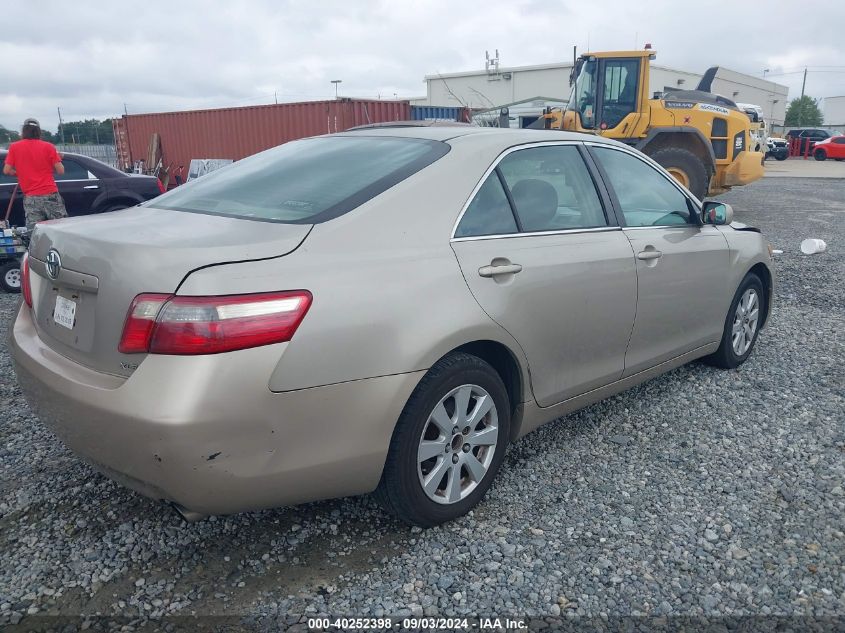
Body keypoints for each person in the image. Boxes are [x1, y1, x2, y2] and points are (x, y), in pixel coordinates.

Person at [3, 118, 67, 230]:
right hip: (50, 193)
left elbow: (6, 170)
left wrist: (22, 173)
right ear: (38, 131)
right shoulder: (48, 147)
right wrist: (56, 159)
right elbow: (61, 171)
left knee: (35, 231)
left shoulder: (14, 147)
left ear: (24, 131)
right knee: (61, 228)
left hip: (31, 197)